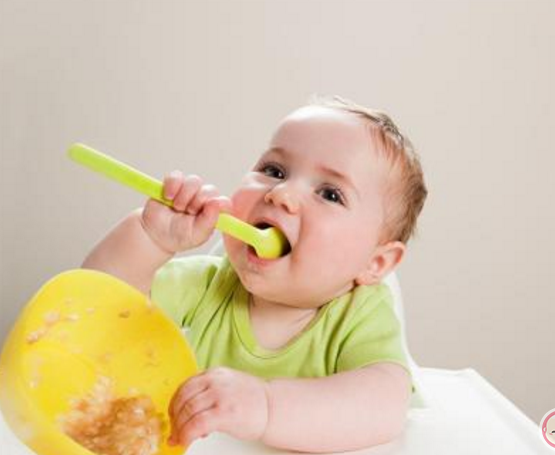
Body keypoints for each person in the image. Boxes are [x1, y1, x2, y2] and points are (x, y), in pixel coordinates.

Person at [82, 96, 428, 452]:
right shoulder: (210, 284)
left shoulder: (360, 315)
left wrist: (265, 406)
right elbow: (95, 309)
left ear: (376, 264)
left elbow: (384, 406)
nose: (282, 193)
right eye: (275, 171)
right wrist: (149, 238)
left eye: (330, 193)